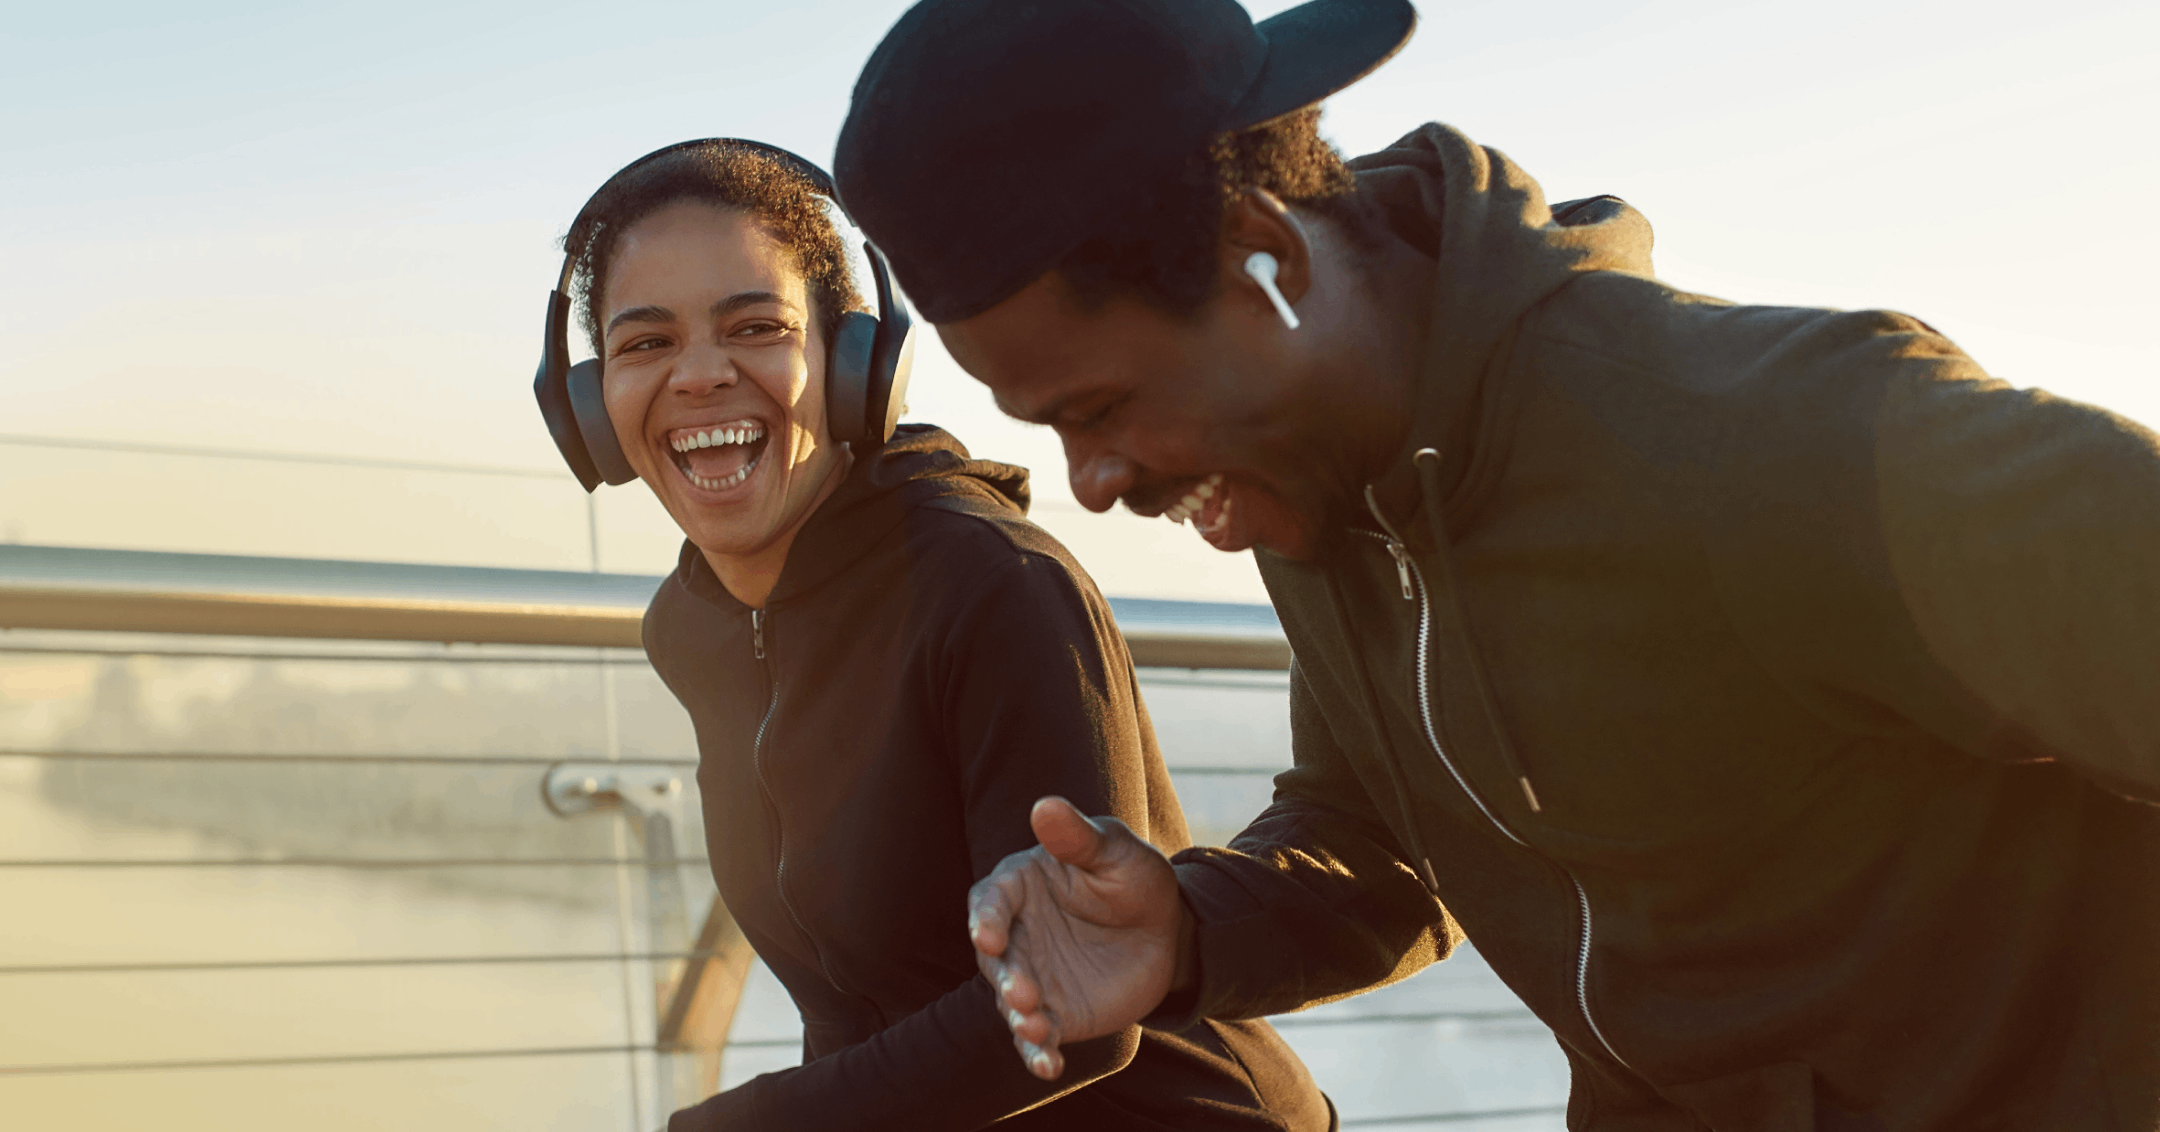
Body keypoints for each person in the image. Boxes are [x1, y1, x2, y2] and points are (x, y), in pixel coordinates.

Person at [830, 1, 2160, 1128]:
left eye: (1100, 411)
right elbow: (1383, 852)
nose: (1096, 486)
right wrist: (1183, 930)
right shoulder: (1328, 497)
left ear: (1269, 259)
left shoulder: (1778, 438)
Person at [543, 140, 1335, 1130]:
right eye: (646, 343)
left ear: (850, 361)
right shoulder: (695, 624)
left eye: (755, 326)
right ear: (588, 404)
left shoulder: (995, 587)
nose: (700, 374)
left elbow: (1075, 1017)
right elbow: (853, 1008)